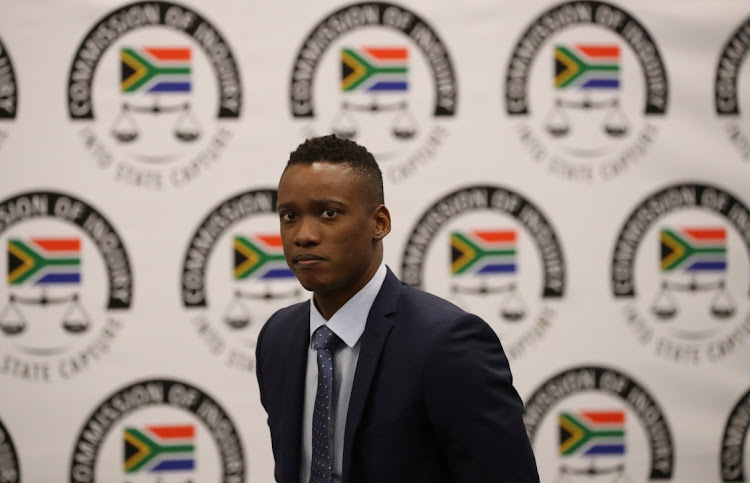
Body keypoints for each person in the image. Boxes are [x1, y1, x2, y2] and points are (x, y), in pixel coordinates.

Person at [256, 134, 539, 483]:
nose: (303, 235)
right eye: (289, 216)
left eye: (328, 213)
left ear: (380, 223)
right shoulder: (277, 339)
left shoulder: (447, 343)